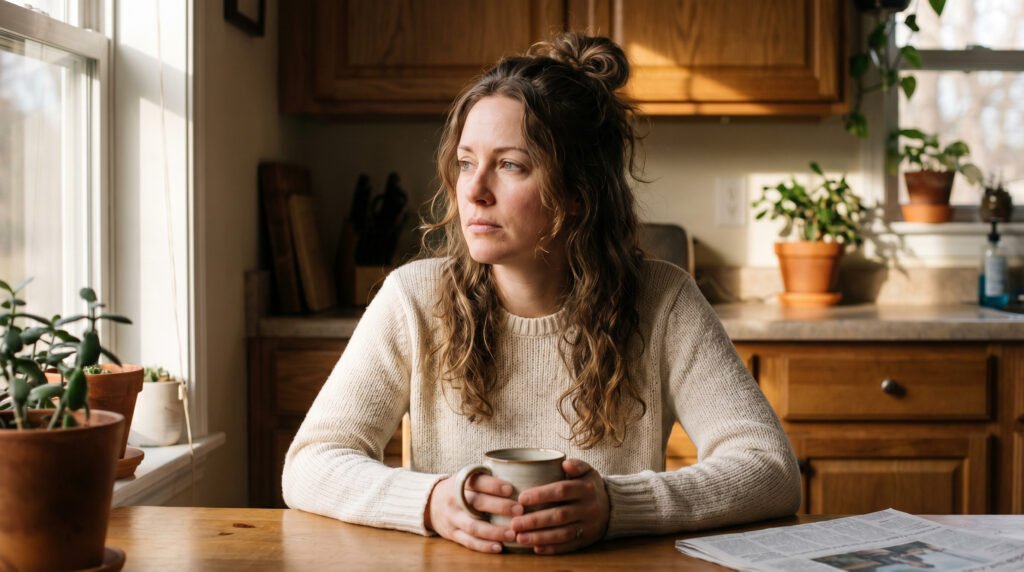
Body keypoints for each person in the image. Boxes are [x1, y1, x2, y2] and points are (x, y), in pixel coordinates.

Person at [282, 31, 801, 555]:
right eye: (466, 162)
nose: (474, 190)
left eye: (510, 165)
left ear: (577, 193)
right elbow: (311, 463)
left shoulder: (663, 300)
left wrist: (618, 506)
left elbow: (771, 469)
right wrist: (430, 500)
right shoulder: (413, 298)